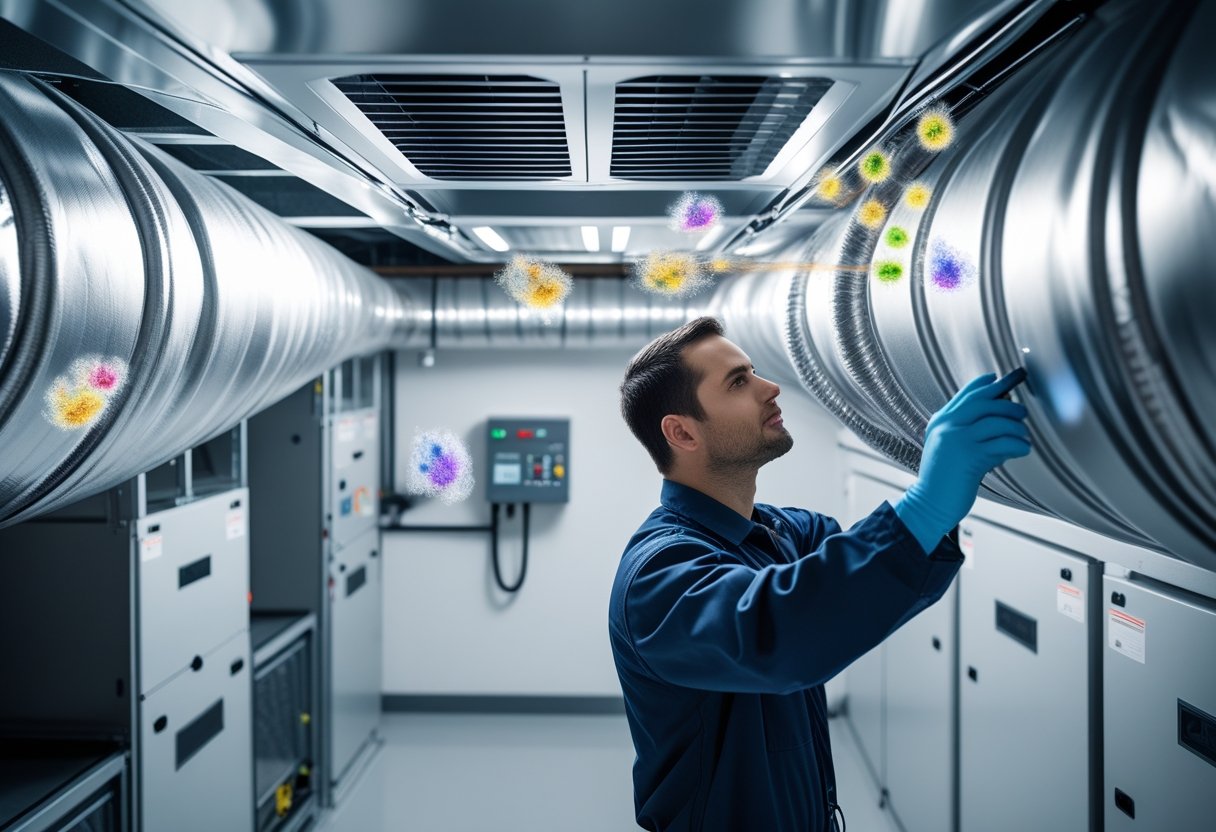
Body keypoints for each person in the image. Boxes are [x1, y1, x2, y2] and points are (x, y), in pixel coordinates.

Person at [609, 316, 1030, 832]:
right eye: (738, 382)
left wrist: (938, 501)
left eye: (753, 371)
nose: (770, 387)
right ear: (681, 432)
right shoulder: (659, 573)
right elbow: (782, 630)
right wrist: (927, 503)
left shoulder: (784, 533)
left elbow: (849, 587)